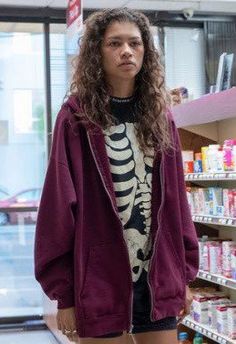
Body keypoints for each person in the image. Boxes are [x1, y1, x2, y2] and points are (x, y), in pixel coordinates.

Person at [34, 7, 199, 344]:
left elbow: (177, 205)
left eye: (135, 43)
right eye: (115, 43)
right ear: (98, 51)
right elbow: (58, 208)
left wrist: (182, 277)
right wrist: (64, 294)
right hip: (99, 280)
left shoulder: (160, 117)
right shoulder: (76, 117)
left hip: (158, 278)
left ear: (145, 51)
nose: (126, 51)